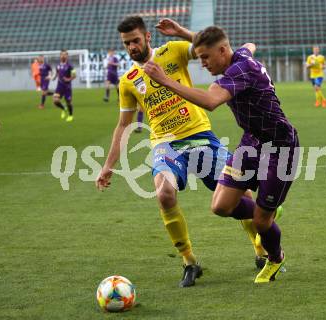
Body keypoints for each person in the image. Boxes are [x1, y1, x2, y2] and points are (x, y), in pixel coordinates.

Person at [95, 16, 265, 287]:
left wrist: (182, 31)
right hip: (166, 144)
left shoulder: (172, 51)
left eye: (136, 40)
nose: (131, 47)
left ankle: (260, 248)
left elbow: (213, 44)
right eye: (126, 43)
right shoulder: (128, 81)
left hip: (200, 135)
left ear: (148, 37)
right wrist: (108, 165)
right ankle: (189, 261)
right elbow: (123, 125)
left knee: (239, 193)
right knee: (164, 193)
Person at [144, 26, 299, 283]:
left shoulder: (240, 71)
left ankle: (275, 257)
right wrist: (181, 31)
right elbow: (249, 43)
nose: (202, 63)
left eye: (205, 57)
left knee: (261, 222)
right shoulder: (240, 55)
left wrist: (166, 80)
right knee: (221, 206)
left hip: (279, 148)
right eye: (200, 57)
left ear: (223, 51)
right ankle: (268, 210)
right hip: (251, 143)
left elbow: (210, 101)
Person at [53, 50, 76, 122]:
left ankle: (70, 115)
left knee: (68, 102)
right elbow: (57, 73)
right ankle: (63, 108)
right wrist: (53, 77)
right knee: (55, 101)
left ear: (67, 56)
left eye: (65, 54)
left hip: (67, 87)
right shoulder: (58, 65)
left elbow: (74, 76)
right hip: (59, 86)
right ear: (60, 56)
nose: (63, 56)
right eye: (62, 54)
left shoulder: (70, 66)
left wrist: (68, 79)